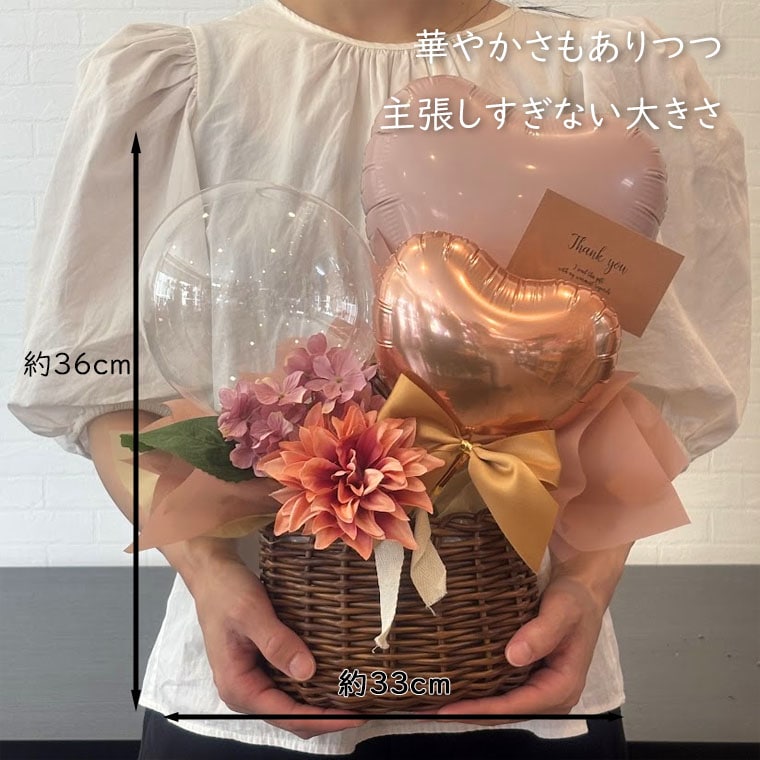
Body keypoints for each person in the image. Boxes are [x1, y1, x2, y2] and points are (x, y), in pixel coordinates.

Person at [7, 1, 750, 758]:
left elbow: (655, 382)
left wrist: (587, 585)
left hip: (529, 670)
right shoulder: (188, 83)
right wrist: (206, 575)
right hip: (245, 685)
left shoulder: (605, 77)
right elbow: (102, 385)